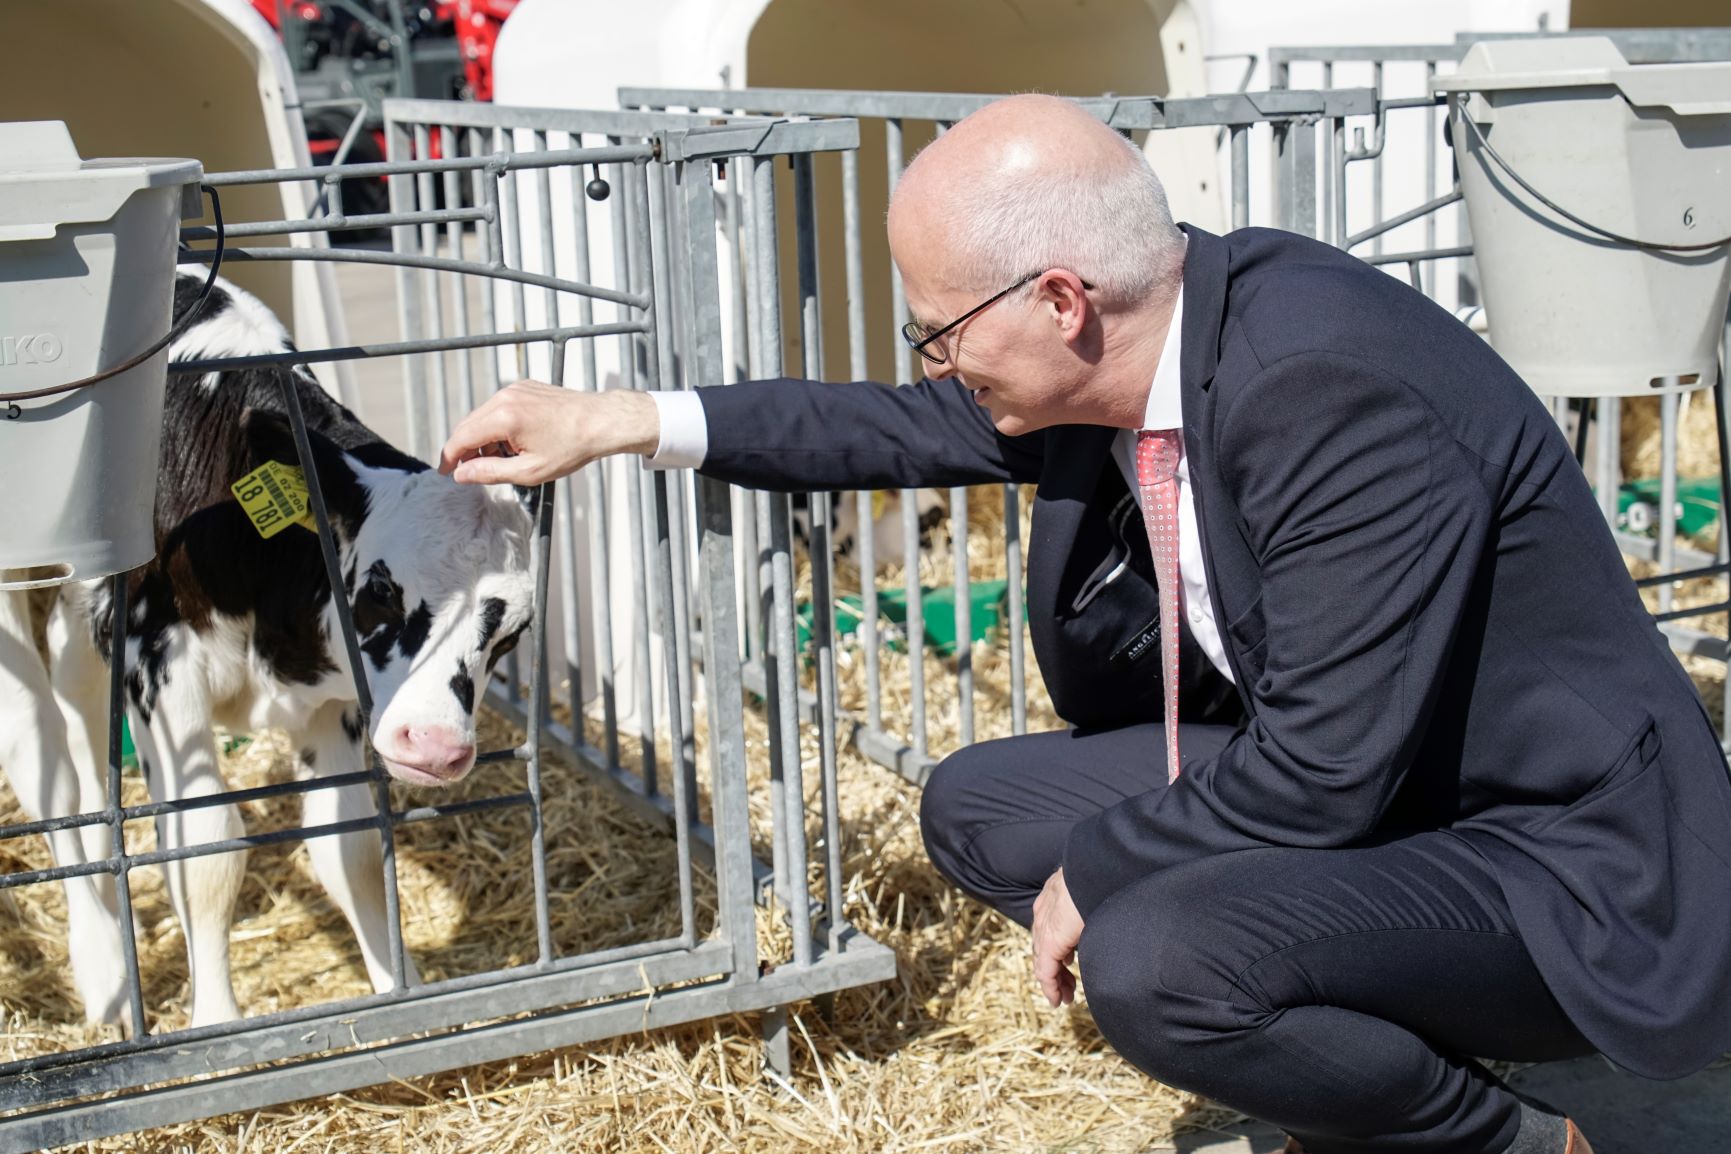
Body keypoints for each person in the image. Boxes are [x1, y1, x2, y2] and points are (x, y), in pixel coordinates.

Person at [439, 94, 1731, 1154]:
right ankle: (1364, 1066)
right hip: (1378, 778)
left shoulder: (1327, 392)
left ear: (1061, 299)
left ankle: (1493, 1143)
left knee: (1157, 958)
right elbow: (883, 427)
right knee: (984, 808)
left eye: (940, 331)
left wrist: (1109, 865)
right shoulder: (1156, 340)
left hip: (1544, 846)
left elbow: (1327, 767)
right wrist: (615, 420)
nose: (937, 365)